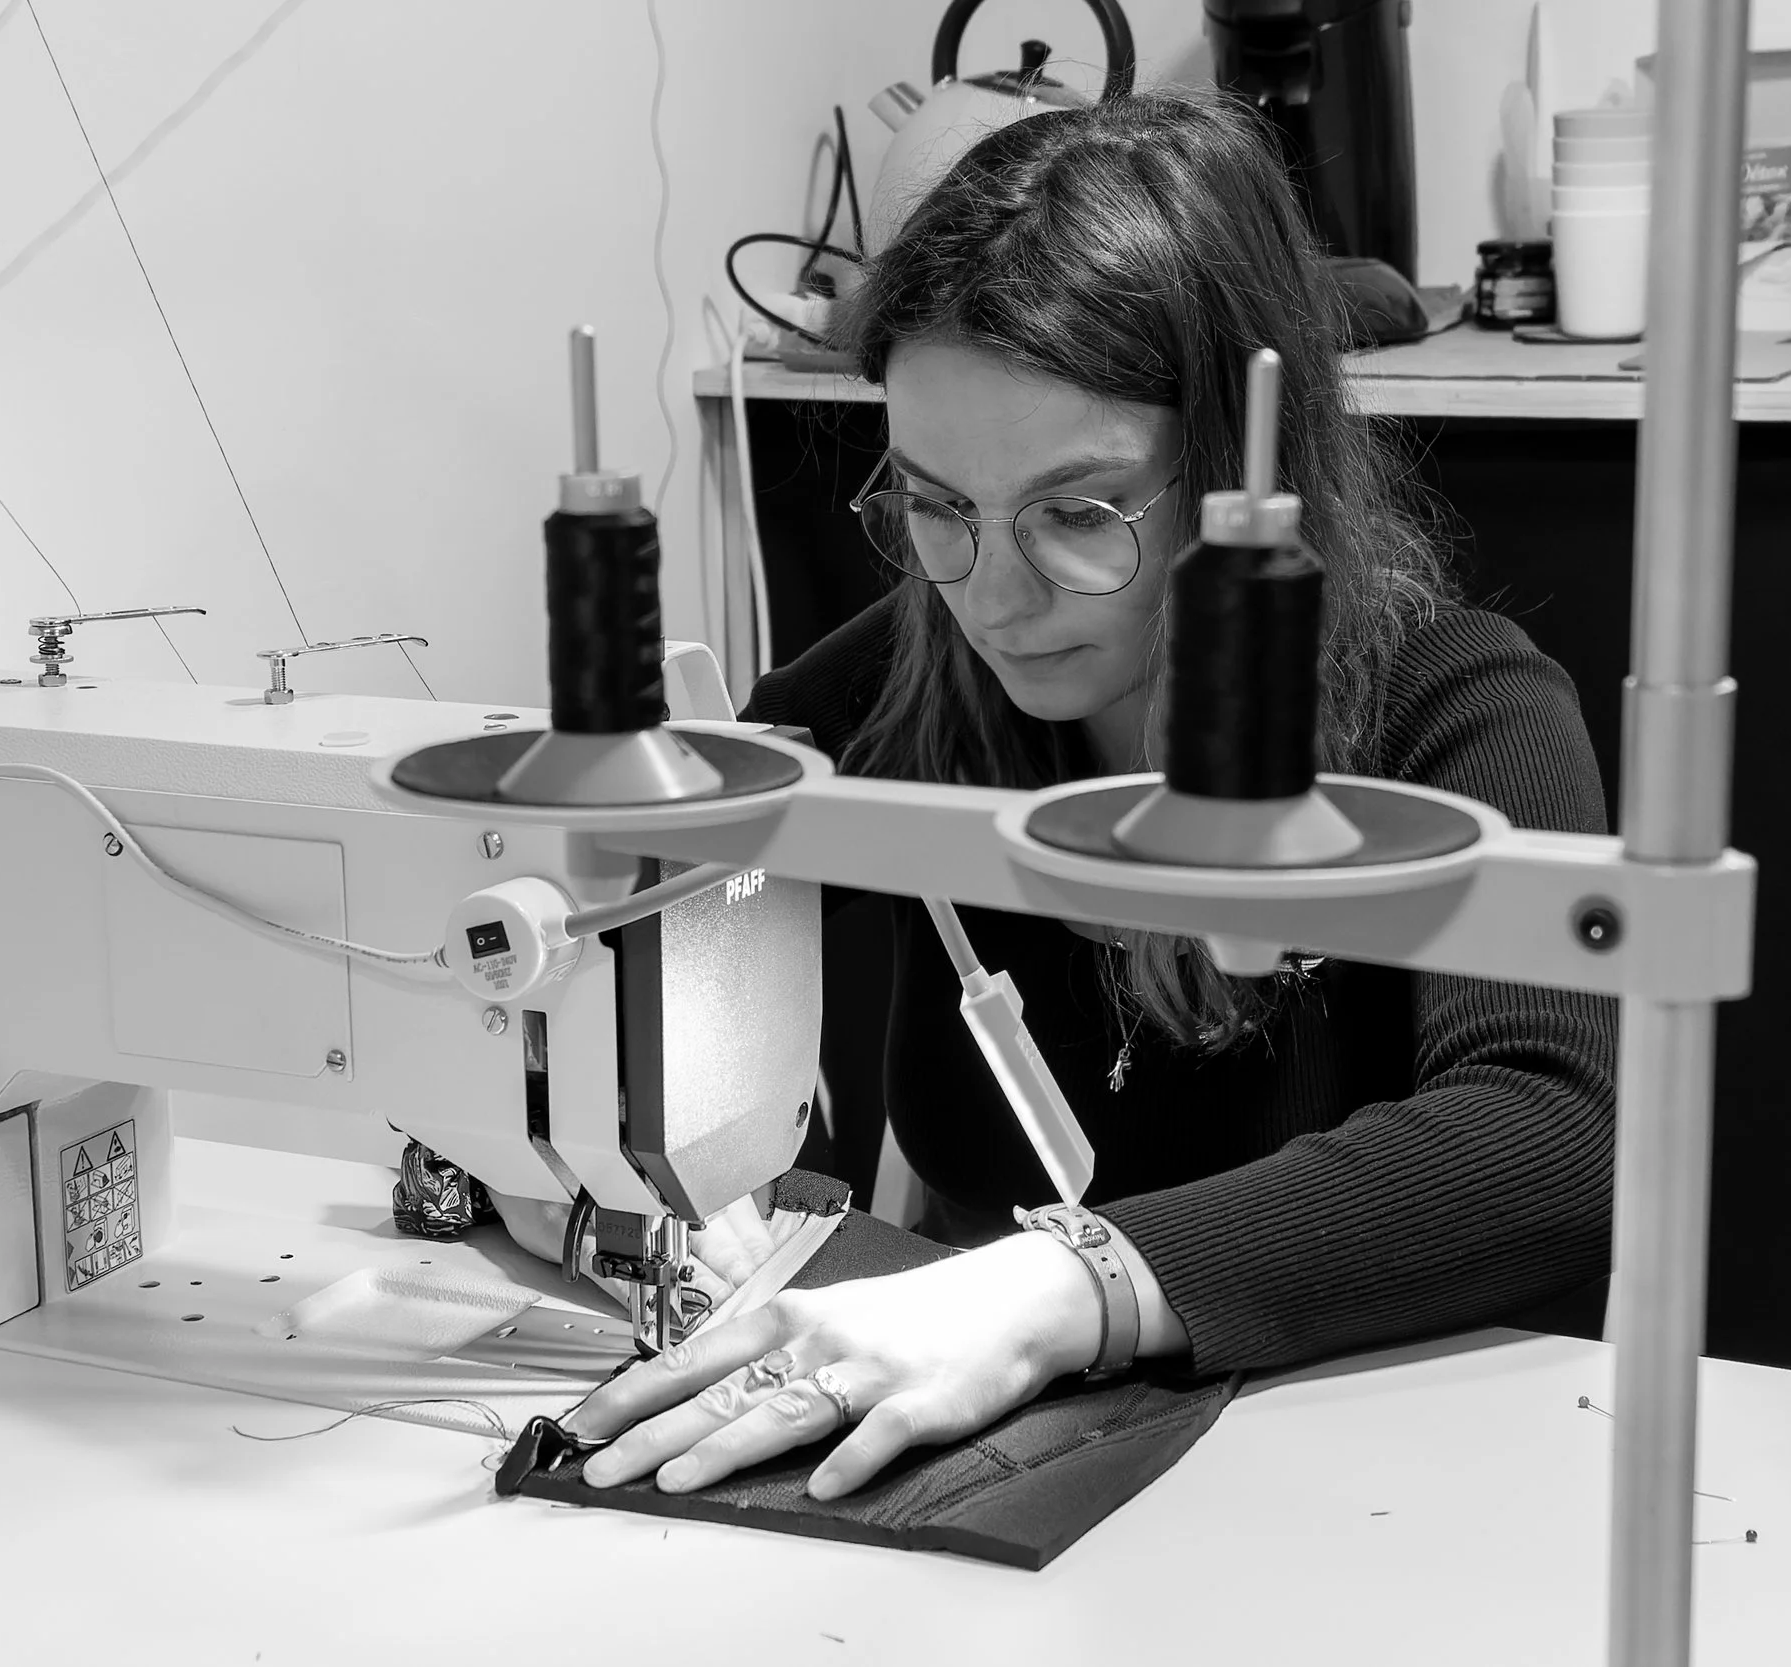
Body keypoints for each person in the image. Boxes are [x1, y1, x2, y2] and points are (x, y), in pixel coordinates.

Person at [555, 89, 1616, 1503]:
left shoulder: (1459, 715)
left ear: (1248, 472)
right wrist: (625, 1195)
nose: (991, 594)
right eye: (934, 503)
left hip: (1372, 1494)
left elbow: (1554, 1138)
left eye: (1076, 511)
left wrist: (1061, 1285)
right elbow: (656, 954)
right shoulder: (880, 693)